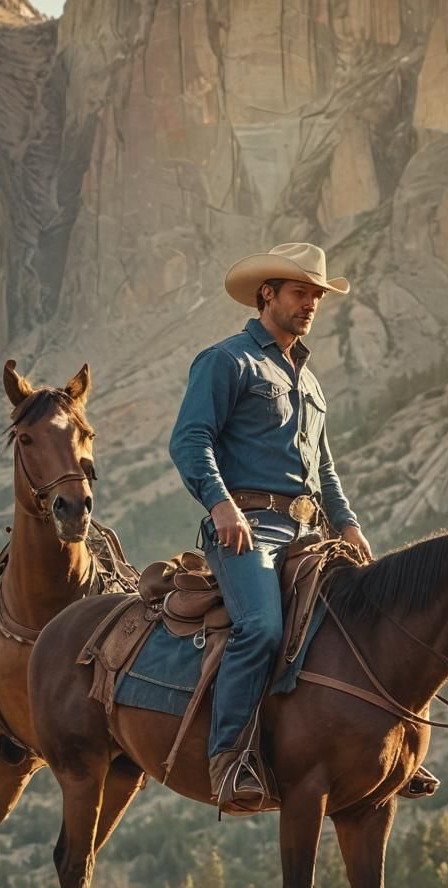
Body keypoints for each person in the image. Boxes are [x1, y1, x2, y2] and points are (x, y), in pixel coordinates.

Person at [169, 242, 371, 812]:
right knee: (259, 628)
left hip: (313, 533)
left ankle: (377, 750)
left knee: (366, 616)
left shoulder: (309, 382)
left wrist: (347, 524)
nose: (310, 303)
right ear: (268, 295)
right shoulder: (228, 360)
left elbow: (323, 467)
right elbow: (190, 440)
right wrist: (220, 505)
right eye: (299, 292)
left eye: (316, 295)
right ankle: (230, 760)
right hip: (247, 527)